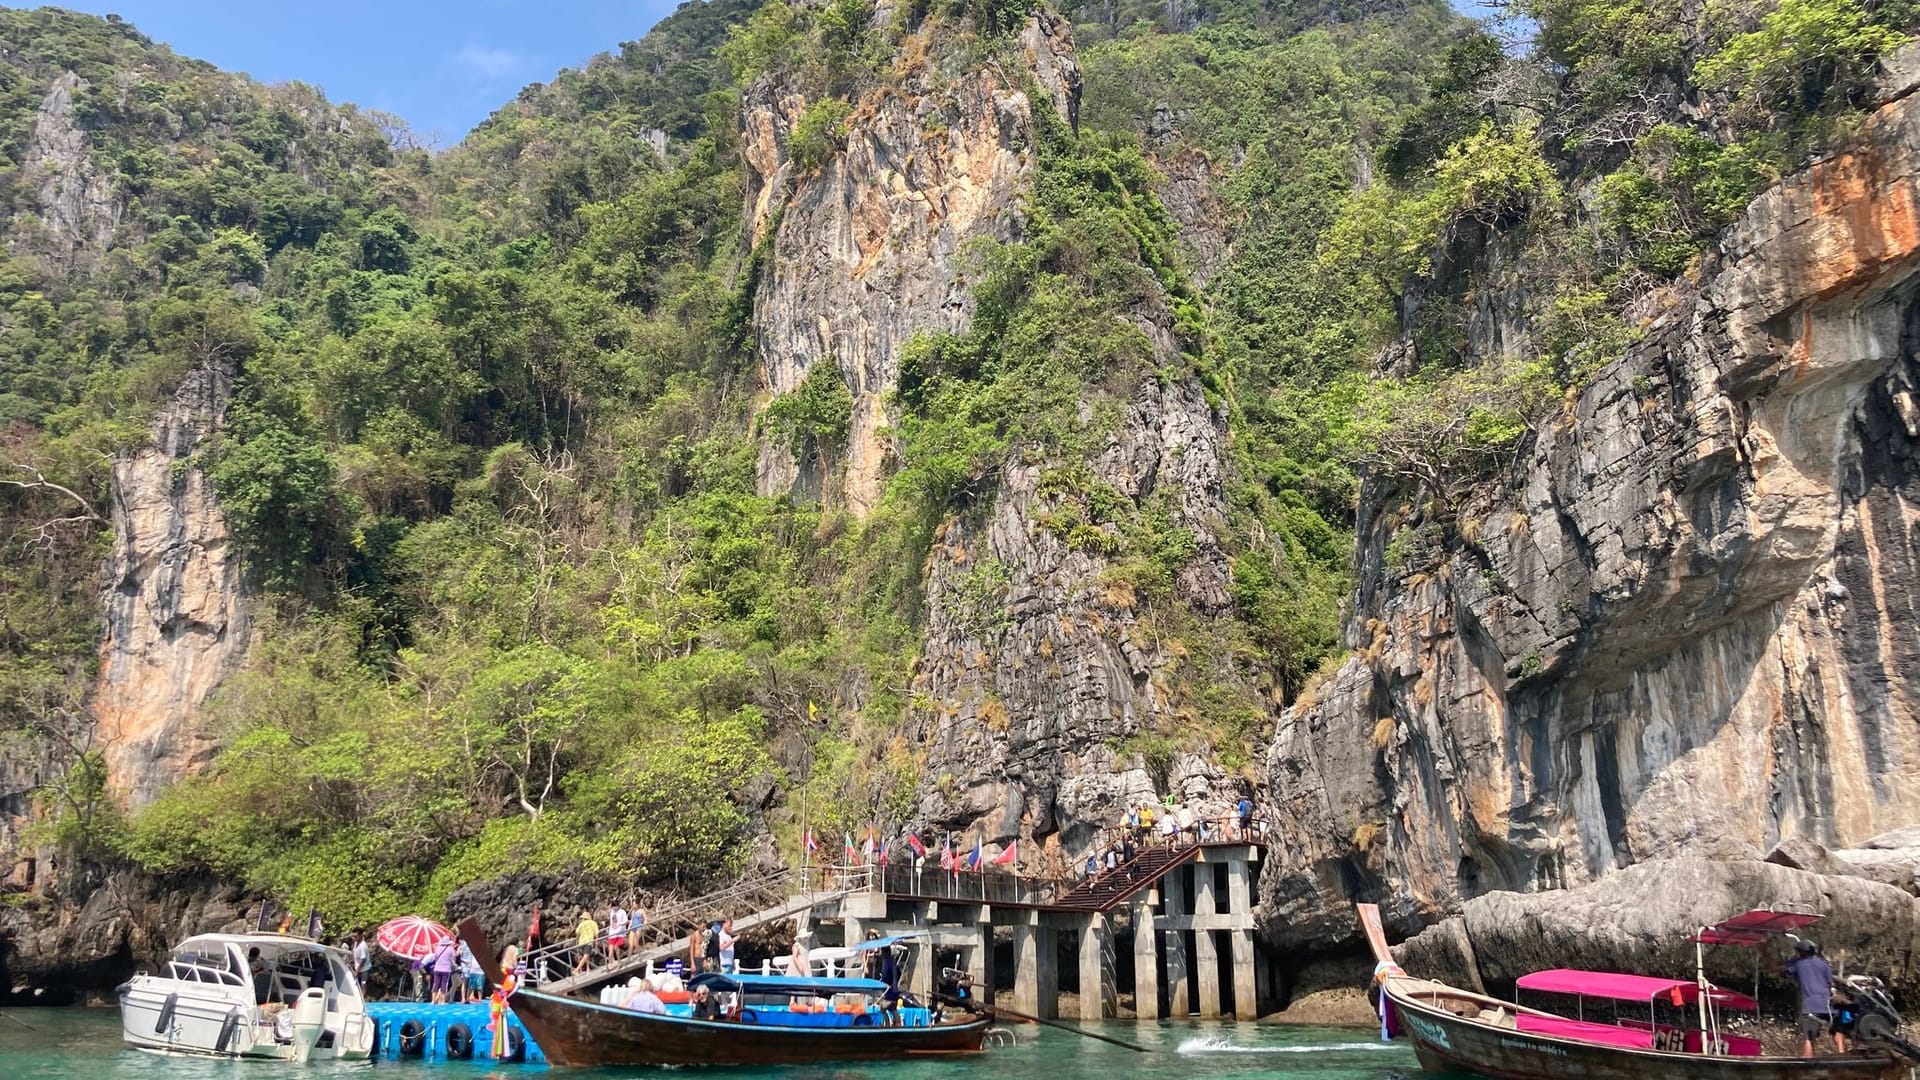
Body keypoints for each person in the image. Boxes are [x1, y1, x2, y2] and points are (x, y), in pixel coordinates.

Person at [1785, 939, 1840, 1055]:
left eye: (1799, 951)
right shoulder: (1823, 963)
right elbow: (1831, 984)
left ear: (1802, 952)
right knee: (1837, 1030)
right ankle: (1842, 1054)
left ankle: (1807, 1062)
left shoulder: (1798, 964)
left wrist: (1763, 951)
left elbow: (1776, 969)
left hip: (1811, 1005)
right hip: (1827, 1003)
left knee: (1808, 1037)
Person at [426, 937, 457, 1004]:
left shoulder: (437, 948)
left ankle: (433, 1000)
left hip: (437, 969)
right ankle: (442, 1001)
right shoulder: (450, 949)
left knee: (435, 984)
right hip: (446, 969)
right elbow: (454, 956)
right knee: (444, 985)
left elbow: (435, 957)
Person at [456, 938, 483, 1004]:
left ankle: (463, 998)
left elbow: (457, 954)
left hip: (464, 964)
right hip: (471, 965)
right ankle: (470, 996)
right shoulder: (471, 945)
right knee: (471, 982)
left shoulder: (461, 946)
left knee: (465, 982)